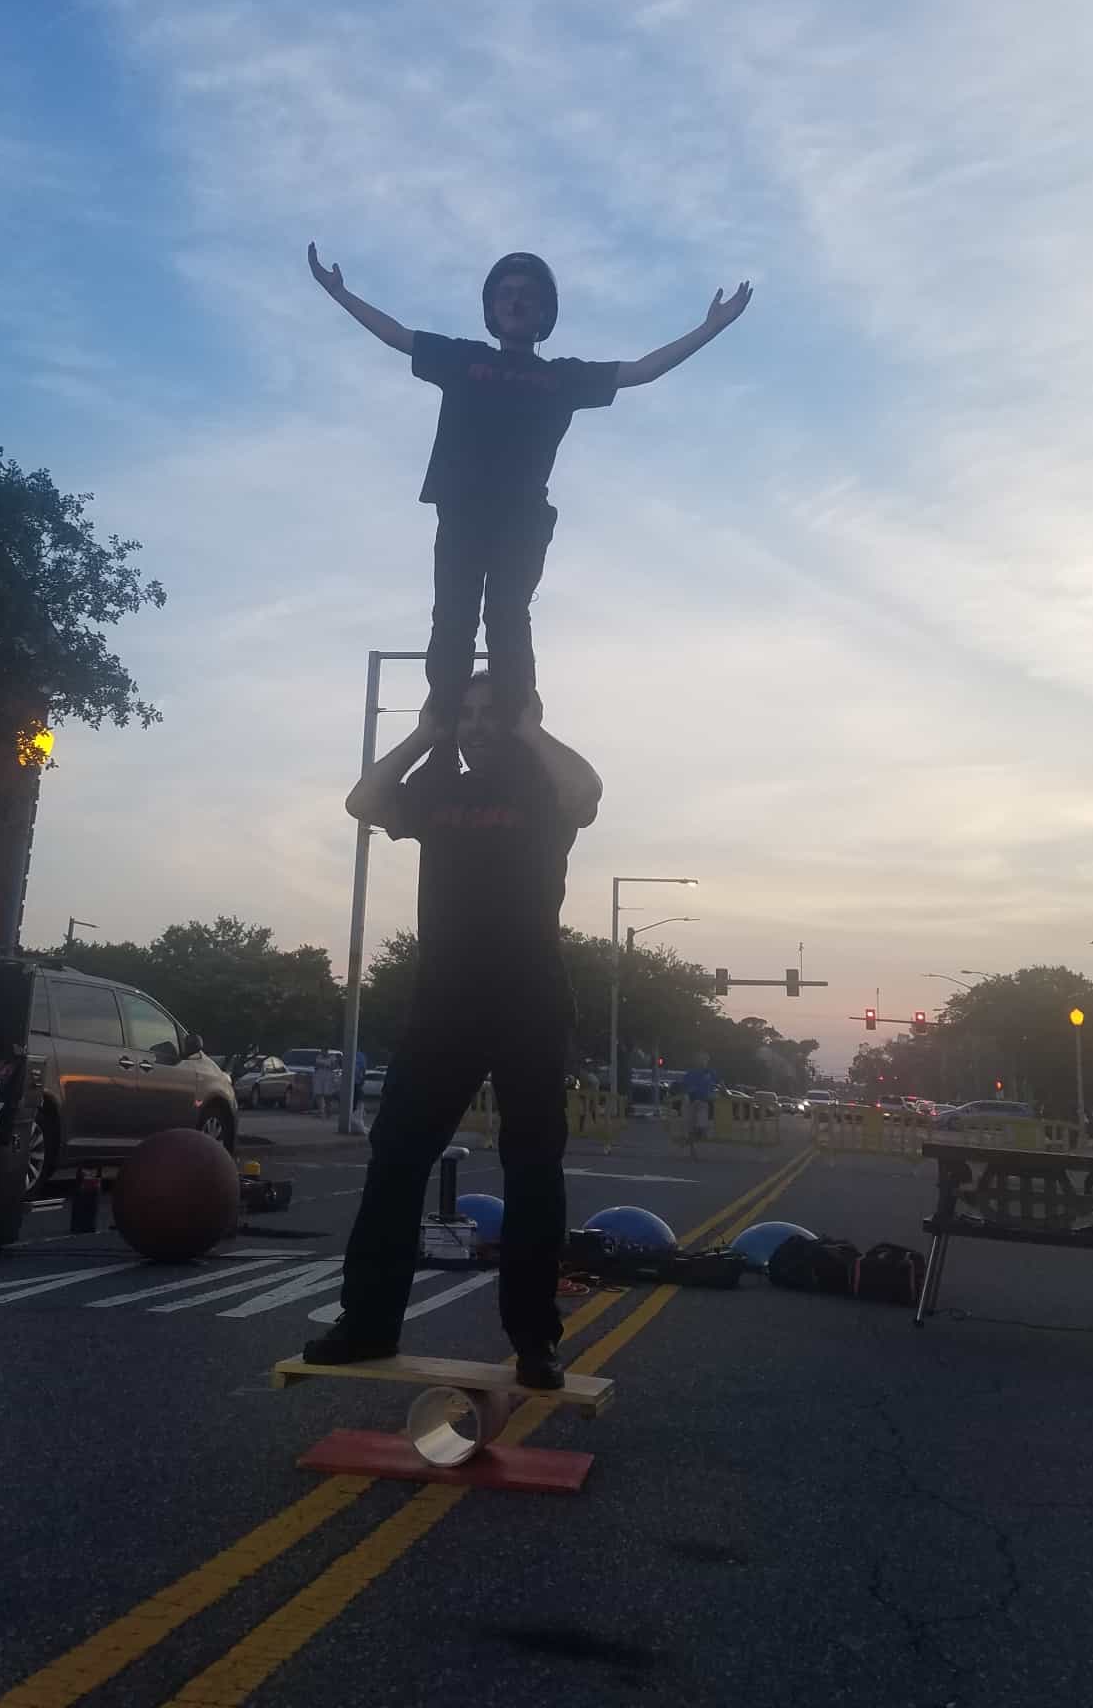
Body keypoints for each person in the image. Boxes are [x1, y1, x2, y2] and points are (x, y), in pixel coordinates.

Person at [308, 242, 751, 724]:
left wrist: (711, 328)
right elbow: (396, 335)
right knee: (452, 621)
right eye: (506, 294)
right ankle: (441, 734)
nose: (516, 302)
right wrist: (340, 294)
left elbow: (642, 370)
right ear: (492, 309)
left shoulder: (561, 378)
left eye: (528, 295)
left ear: (544, 312)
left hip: (522, 519)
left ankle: (513, 733)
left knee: (508, 622)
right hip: (462, 510)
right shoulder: (463, 359)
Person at [304, 671, 602, 1390]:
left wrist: (530, 729)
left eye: (486, 714)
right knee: (397, 1160)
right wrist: (424, 733)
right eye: (464, 714)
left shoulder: (543, 792)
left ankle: (535, 1341)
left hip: (528, 1002)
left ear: (518, 718)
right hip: (443, 1006)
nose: (473, 725)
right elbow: (363, 801)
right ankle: (368, 1324)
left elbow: (586, 793)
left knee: (533, 1169)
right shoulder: (439, 791)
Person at [681, 1053, 721, 1159]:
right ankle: (692, 1151)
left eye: (705, 1059)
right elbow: (684, 1086)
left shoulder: (711, 1072)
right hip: (691, 1102)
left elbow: (720, 1083)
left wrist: (726, 1092)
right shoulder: (691, 1073)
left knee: (701, 1127)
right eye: (701, 1059)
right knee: (691, 1127)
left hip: (704, 1103)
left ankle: (688, 1142)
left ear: (708, 1061)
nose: (703, 1061)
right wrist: (687, 1093)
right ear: (696, 1061)